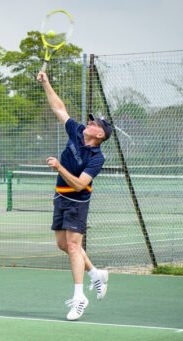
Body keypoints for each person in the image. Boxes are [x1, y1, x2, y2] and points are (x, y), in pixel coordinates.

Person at [37, 70, 112, 321]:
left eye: (94, 124)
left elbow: (80, 185)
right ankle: (95, 274)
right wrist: (46, 83)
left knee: (73, 245)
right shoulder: (77, 132)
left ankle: (79, 298)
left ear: (100, 135)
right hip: (60, 197)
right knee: (63, 245)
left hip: (77, 203)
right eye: (90, 122)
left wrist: (59, 167)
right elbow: (60, 109)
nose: (89, 123)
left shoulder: (97, 158)